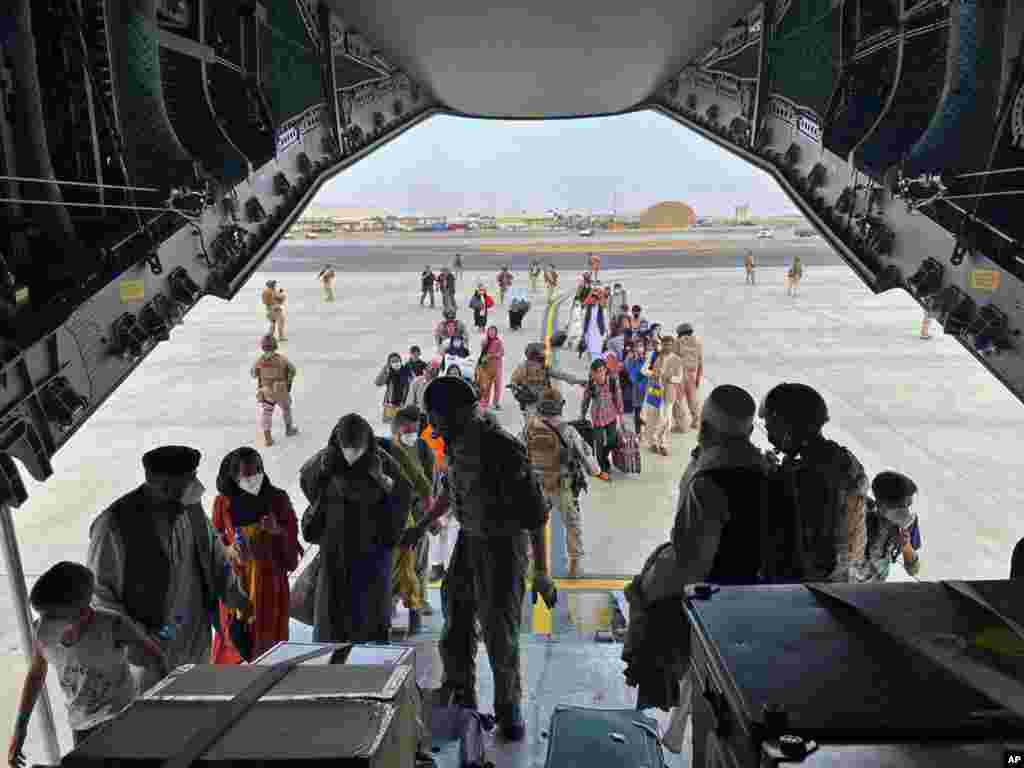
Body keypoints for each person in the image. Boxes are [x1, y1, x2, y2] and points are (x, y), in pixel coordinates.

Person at [404, 377, 556, 741]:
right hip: (470, 542)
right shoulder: (456, 443)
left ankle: (510, 710)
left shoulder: (502, 449)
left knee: (499, 633)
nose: (432, 427)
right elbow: (449, 489)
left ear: (455, 414)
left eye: (435, 418)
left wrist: (541, 572)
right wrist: (423, 524)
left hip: (503, 549)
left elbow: (535, 514)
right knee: (455, 621)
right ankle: (461, 696)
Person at [623, 385, 774, 717]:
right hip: (755, 593)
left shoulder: (709, 482)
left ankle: (651, 700)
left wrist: (648, 586)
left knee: (645, 610)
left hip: (713, 601)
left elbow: (691, 561)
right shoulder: (763, 470)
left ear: (705, 428)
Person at [87, 446, 251, 694]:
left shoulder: (189, 509)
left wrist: (235, 595)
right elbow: (101, 598)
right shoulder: (115, 526)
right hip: (151, 648)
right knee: (157, 716)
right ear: (163, 485)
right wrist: (136, 643)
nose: (196, 484)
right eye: (189, 479)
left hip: (194, 634)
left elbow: (214, 554)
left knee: (198, 705)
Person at [10, 563, 169, 762]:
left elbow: (156, 658)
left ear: (82, 612)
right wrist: (20, 726)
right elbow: (36, 673)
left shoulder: (112, 625)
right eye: (41, 615)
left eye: (52, 616)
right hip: (81, 726)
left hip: (119, 719)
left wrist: (161, 710)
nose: (43, 624)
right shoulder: (43, 634)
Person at [299, 414, 412, 643]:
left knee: (369, 623)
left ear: (366, 444)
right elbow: (307, 481)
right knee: (332, 623)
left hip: (371, 554)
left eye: (357, 448)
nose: (351, 454)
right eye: (346, 448)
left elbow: (403, 492)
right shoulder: (325, 461)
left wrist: (382, 482)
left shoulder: (382, 463)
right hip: (336, 553)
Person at [758, 383, 868, 583]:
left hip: (802, 586)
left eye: (771, 426)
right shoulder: (847, 462)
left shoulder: (797, 477)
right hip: (844, 579)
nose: (769, 432)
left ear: (786, 428)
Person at [211, 449, 302, 663]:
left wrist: (276, 530)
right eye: (246, 475)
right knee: (235, 641)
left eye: (257, 472)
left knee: (268, 646)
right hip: (236, 583)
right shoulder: (223, 503)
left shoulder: (277, 499)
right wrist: (229, 549)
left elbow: (292, 544)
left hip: (269, 585)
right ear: (234, 477)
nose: (253, 479)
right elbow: (214, 539)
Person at [527, 388, 608, 577]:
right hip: (561, 485)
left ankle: (531, 563)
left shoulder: (530, 428)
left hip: (536, 486)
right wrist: (596, 471)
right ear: (559, 407)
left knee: (534, 525)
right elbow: (586, 456)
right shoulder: (568, 431)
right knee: (572, 523)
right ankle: (574, 565)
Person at [387, 407, 438, 635]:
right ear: (397, 428)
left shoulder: (423, 448)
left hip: (418, 514)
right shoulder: (388, 449)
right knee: (394, 565)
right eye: (408, 429)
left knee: (419, 561)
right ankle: (390, 604)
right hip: (394, 516)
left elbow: (430, 483)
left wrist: (431, 514)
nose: (412, 434)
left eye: (416, 430)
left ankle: (420, 601)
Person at [858, 471, 922, 582]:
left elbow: (913, 570)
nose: (907, 513)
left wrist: (906, 547)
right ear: (881, 505)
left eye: (909, 505)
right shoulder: (860, 517)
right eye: (902, 506)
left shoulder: (908, 525)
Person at [510, 342, 588, 421]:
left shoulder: (544, 367)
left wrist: (577, 380)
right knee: (531, 426)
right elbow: (513, 382)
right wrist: (518, 394)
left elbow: (560, 374)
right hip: (530, 403)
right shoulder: (523, 367)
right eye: (541, 356)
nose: (543, 358)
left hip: (544, 402)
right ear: (533, 357)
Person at [252, 334, 298, 448]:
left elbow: (253, 373)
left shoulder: (260, 361)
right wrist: (288, 381)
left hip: (266, 391)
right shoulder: (281, 359)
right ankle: (289, 429)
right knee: (286, 409)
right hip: (280, 390)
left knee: (267, 412)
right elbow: (292, 370)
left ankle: (268, 438)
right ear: (275, 346)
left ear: (263, 347)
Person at [581, 358, 624, 475]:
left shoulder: (613, 381)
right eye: (597, 372)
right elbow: (586, 400)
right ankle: (602, 465)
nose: (600, 374)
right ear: (593, 373)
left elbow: (618, 398)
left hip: (611, 415)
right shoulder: (591, 383)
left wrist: (621, 416)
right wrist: (582, 415)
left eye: (602, 370)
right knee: (598, 443)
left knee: (612, 440)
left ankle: (603, 458)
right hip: (597, 417)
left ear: (605, 370)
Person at [671, 323, 704, 433]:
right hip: (692, 374)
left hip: (679, 374)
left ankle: (681, 426)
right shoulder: (698, 343)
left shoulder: (677, 342)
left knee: (678, 400)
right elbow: (700, 362)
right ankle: (696, 422)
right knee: (693, 399)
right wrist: (698, 377)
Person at [376, 352, 414, 423]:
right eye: (393, 361)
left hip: (404, 404)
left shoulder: (407, 370)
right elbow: (378, 383)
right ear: (389, 363)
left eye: (397, 360)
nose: (396, 363)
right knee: (390, 427)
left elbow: (414, 382)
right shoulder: (388, 372)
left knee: (405, 427)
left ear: (400, 361)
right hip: (390, 405)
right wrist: (384, 371)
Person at [474, 326, 505, 410]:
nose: (491, 333)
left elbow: (502, 353)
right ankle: (485, 402)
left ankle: (495, 402)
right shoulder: (485, 341)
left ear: (496, 333)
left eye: (493, 331)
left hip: (497, 367)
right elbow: (482, 354)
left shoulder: (498, 342)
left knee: (497, 385)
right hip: (487, 366)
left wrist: (492, 355)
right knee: (486, 385)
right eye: (490, 331)